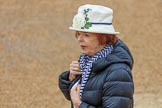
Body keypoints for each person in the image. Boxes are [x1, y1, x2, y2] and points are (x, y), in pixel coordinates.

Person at [59, 4, 134, 108]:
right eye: (78, 34)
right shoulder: (87, 61)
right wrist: (71, 78)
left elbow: (78, 101)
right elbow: (78, 95)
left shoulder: (118, 72)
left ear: (103, 37)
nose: (79, 39)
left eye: (86, 35)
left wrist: (79, 105)